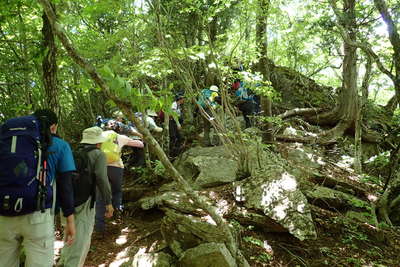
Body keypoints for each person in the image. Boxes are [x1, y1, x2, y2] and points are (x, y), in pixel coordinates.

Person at [0, 109, 76, 267]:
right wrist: (69, 220)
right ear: (53, 127)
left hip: (3, 212)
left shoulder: (8, 139)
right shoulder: (61, 146)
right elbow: (65, 185)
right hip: (37, 213)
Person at [58, 126, 114, 267]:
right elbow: (102, 177)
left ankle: (62, 261)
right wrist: (108, 202)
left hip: (66, 201)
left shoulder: (73, 152)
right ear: (99, 142)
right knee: (80, 241)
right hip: (85, 202)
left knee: (69, 233)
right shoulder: (98, 154)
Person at [95, 127, 144, 235]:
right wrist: (143, 137)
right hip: (116, 168)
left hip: (101, 167)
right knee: (117, 191)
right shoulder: (119, 137)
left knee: (99, 196)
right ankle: (117, 216)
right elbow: (139, 144)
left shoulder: (99, 137)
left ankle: (99, 229)